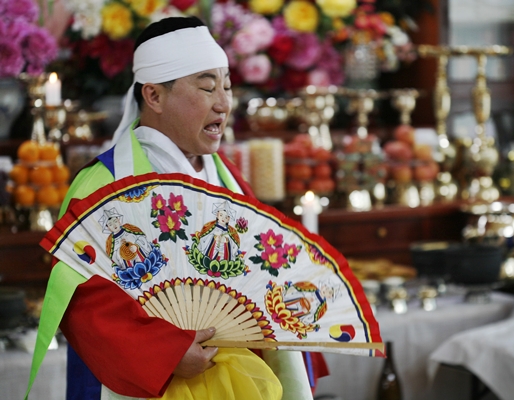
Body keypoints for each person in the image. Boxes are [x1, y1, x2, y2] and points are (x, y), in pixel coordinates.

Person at [27, 16, 327, 400]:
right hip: (143, 380)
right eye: (206, 88)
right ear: (153, 96)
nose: (223, 103)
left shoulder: (226, 176)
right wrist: (164, 352)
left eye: (227, 86)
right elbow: (82, 300)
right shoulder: (103, 185)